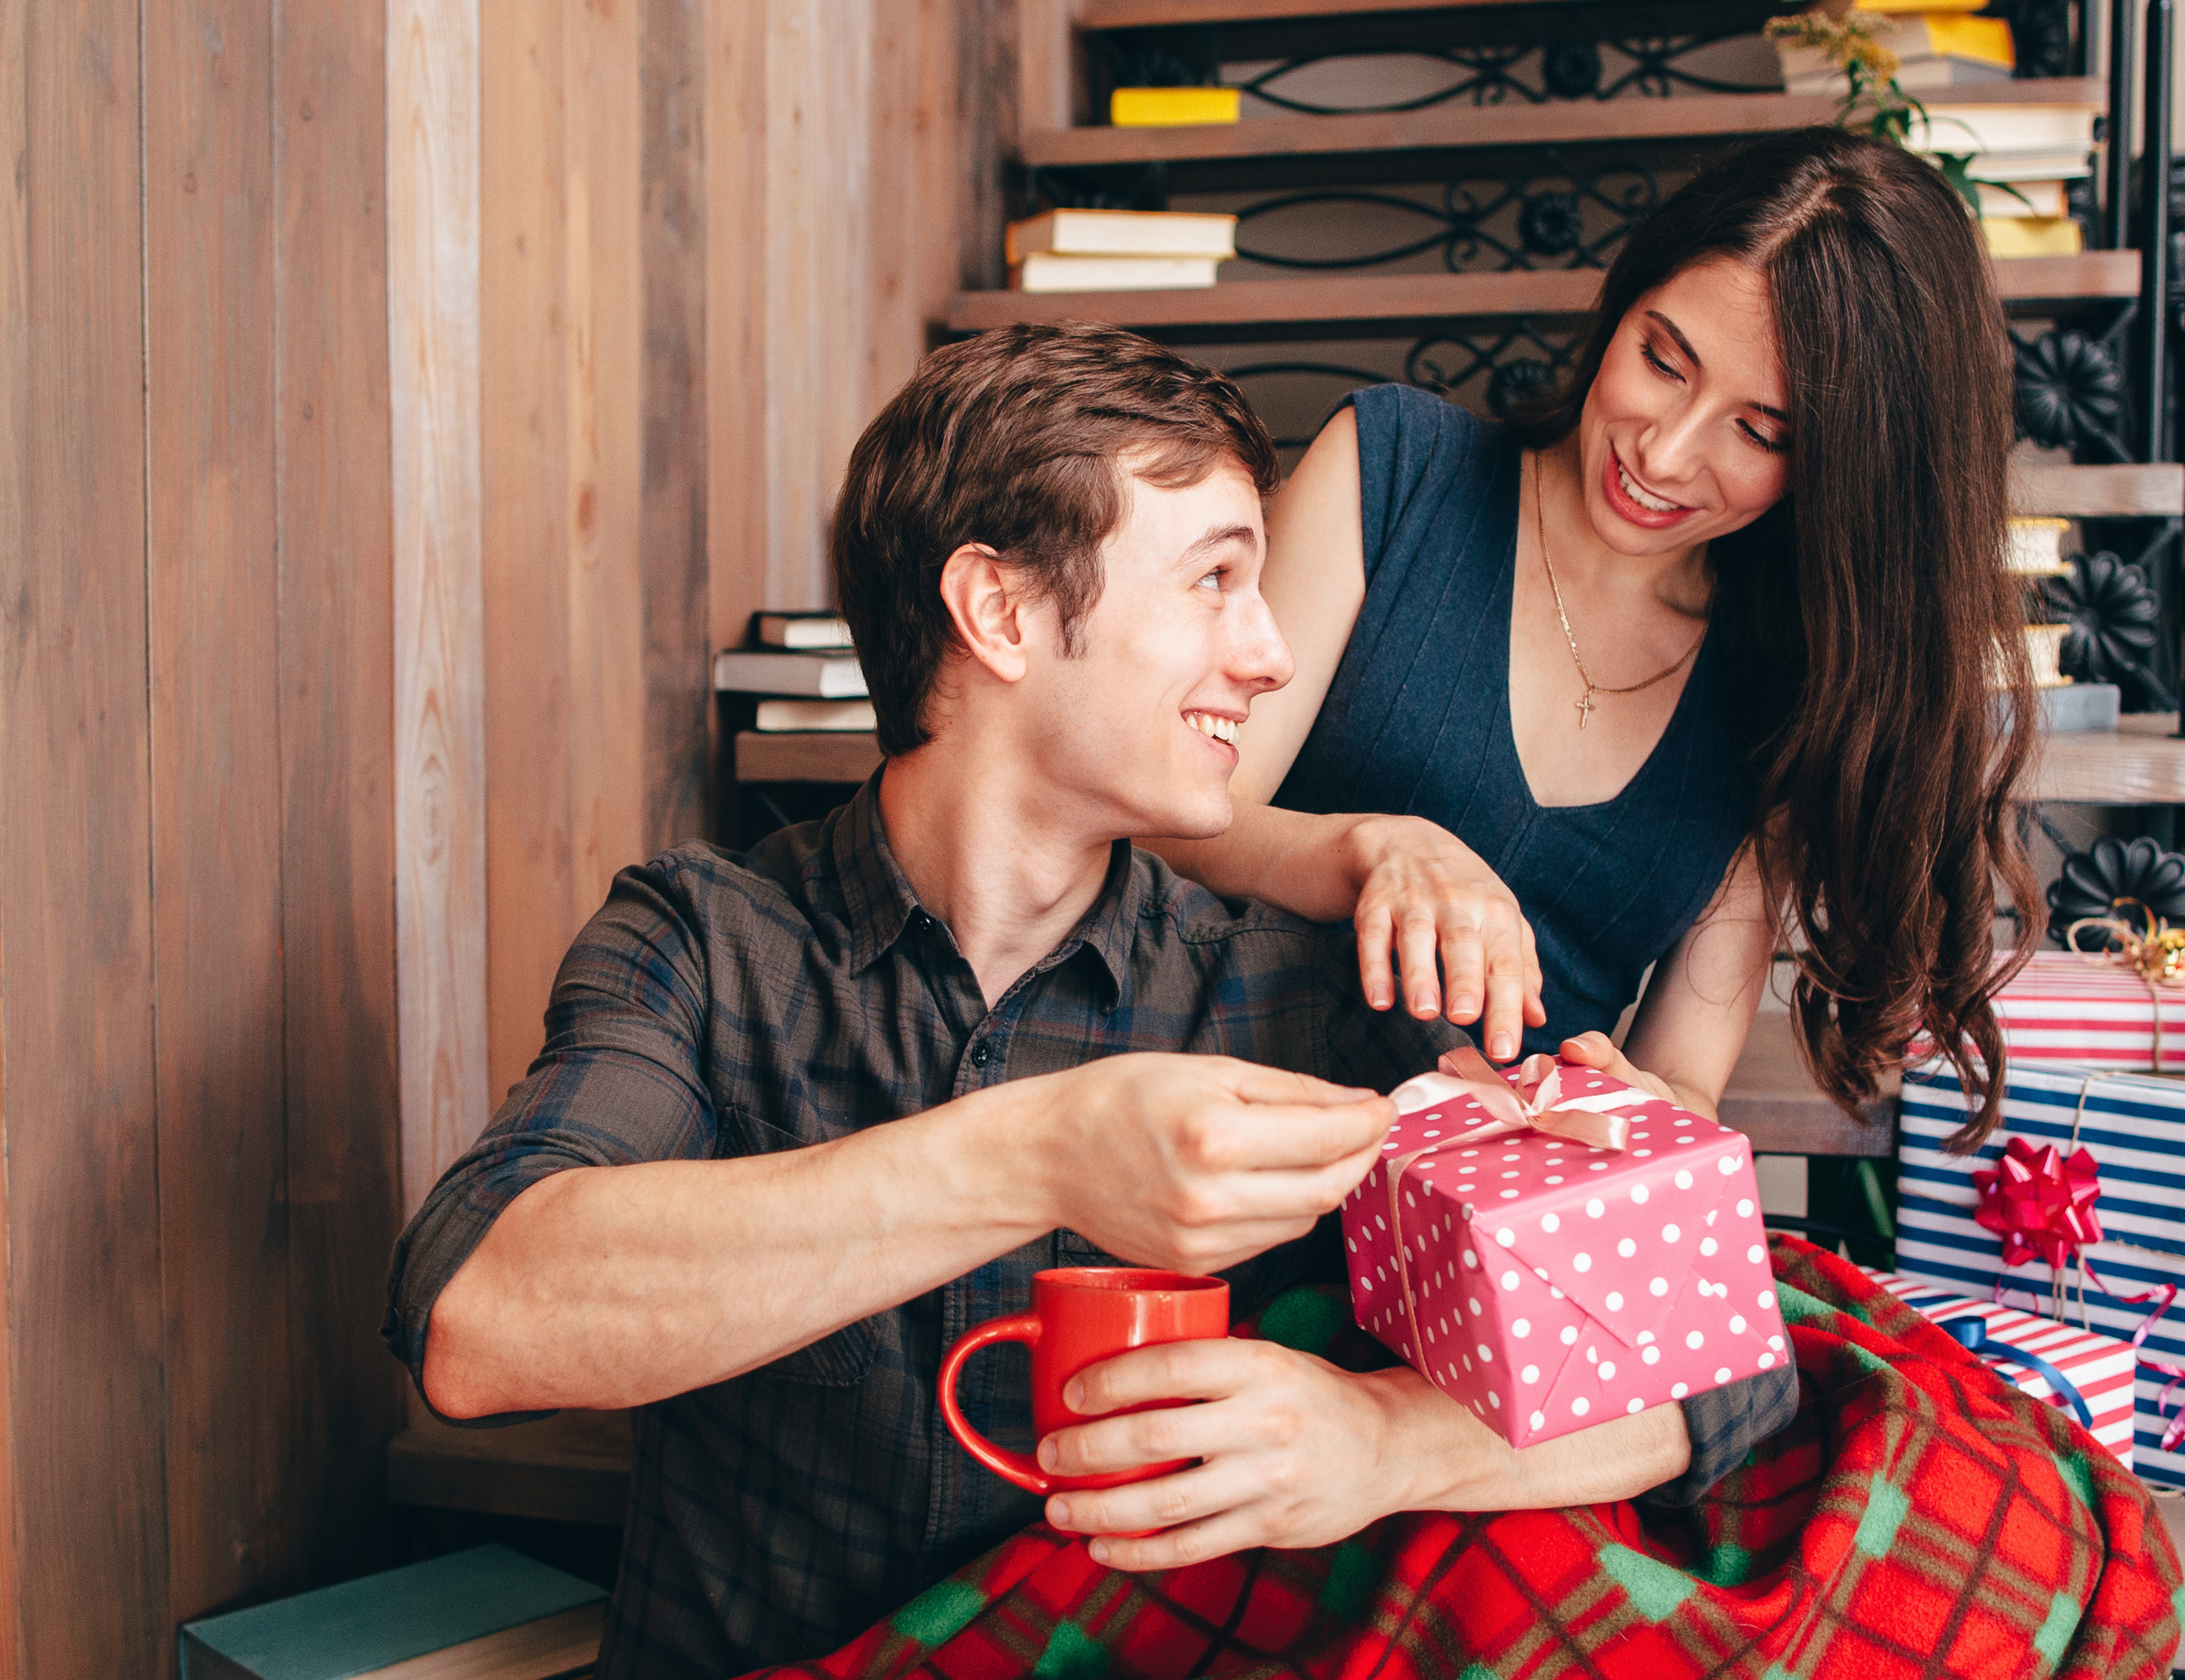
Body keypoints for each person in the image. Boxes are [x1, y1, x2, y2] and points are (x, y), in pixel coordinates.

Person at [383, 323, 1798, 1680]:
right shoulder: (704, 942)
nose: (1273, 653)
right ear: (999, 609)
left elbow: (1719, 1375)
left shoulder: (1307, 992)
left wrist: (1378, 1439)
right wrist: (1044, 1151)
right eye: (1212, 581)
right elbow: (479, 1315)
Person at [1149, 127, 2041, 1148]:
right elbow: (1172, 820)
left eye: (1757, 432)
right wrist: (1367, 849)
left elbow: (1680, 1082)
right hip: (1201, 1145)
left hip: (1471, 1242)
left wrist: (1639, 1110)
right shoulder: (1395, 473)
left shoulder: (1780, 701)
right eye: (1664, 359)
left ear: (1838, 476)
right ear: (1623, 303)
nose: (1662, 450)